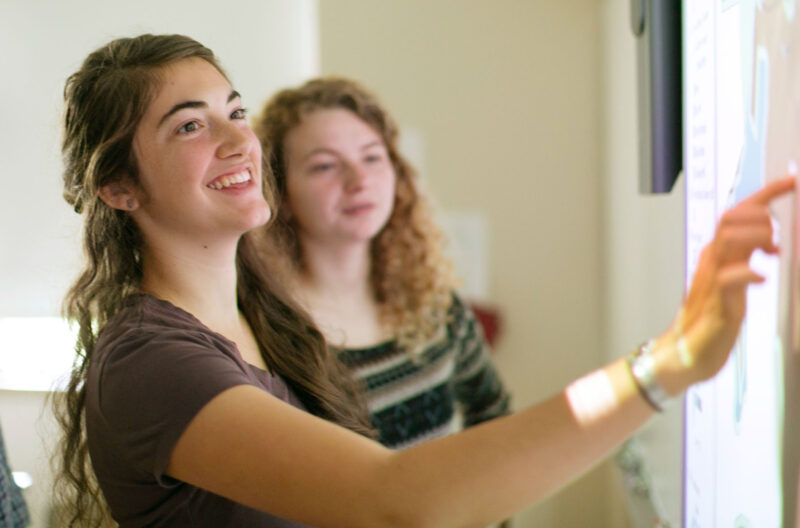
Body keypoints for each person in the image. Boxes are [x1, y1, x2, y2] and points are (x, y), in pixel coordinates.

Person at [53, 33, 794, 528]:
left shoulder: (266, 317)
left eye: (234, 111)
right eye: (189, 125)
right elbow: (394, 498)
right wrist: (664, 366)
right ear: (120, 187)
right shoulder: (152, 362)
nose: (234, 138)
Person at [252, 77, 510, 450]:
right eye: (325, 166)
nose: (359, 180)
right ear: (282, 194)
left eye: (372, 157)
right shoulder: (267, 336)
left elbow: (493, 419)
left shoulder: (435, 306)